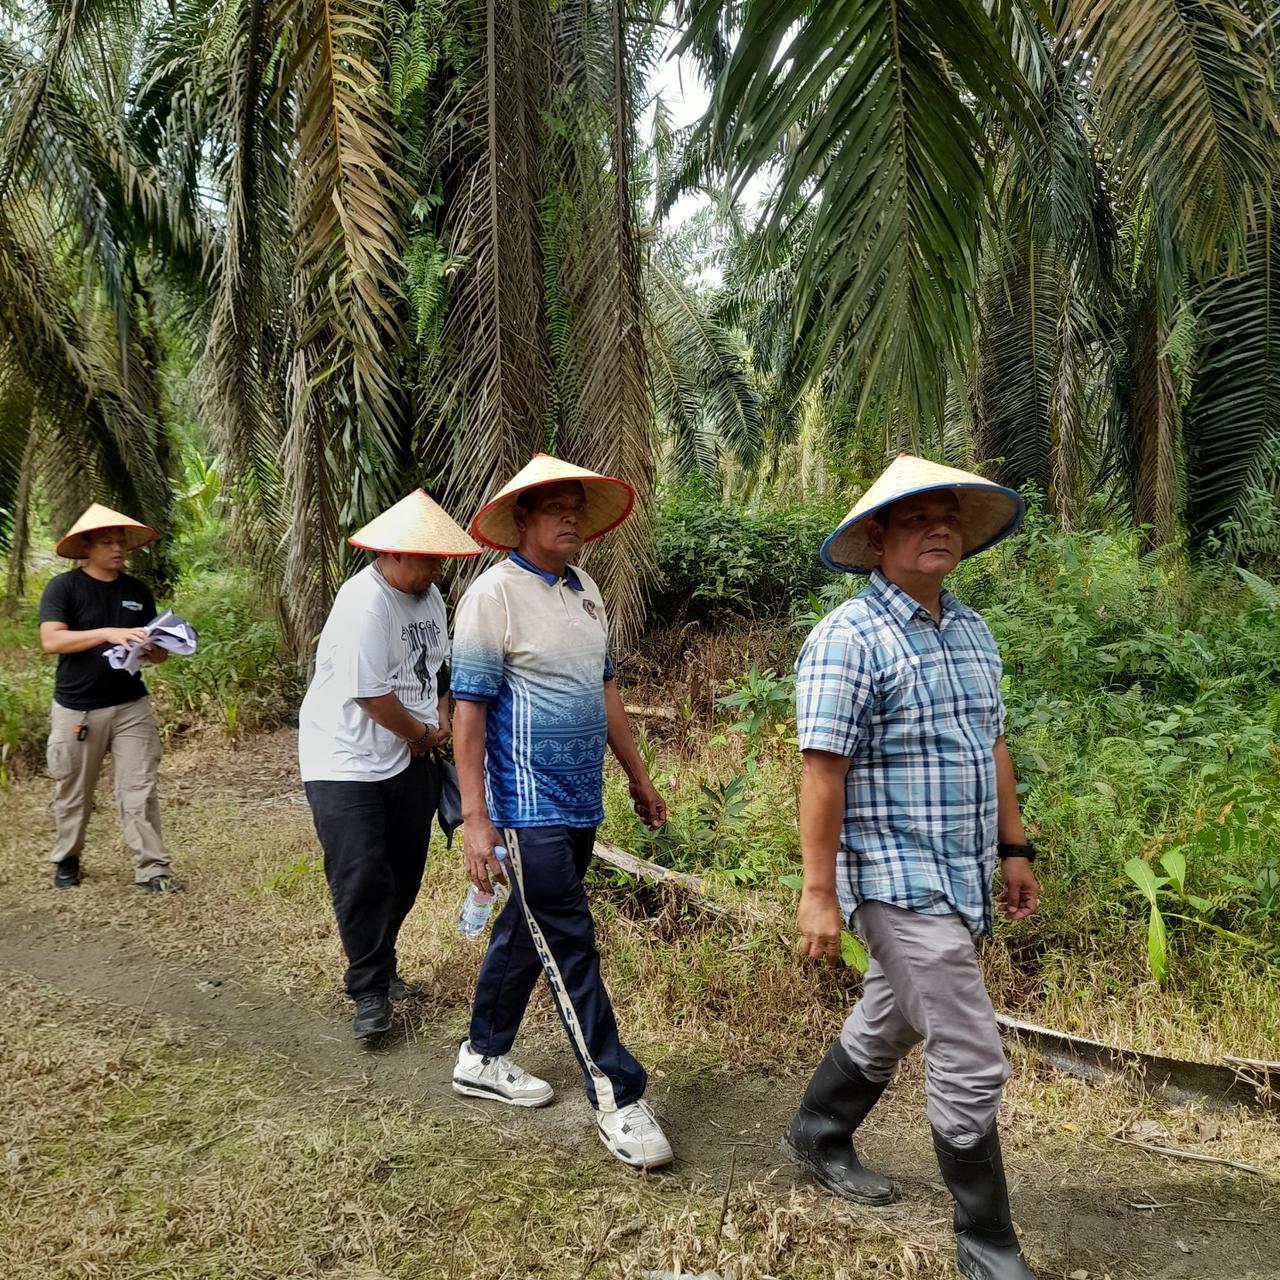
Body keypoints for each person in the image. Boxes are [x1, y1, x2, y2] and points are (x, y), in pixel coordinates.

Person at [786, 454, 1041, 1280]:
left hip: (960, 868)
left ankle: (818, 1131)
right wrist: (818, 894)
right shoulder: (848, 640)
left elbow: (990, 741)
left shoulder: (970, 630)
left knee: (895, 1013)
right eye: (916, 517)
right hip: (893, 878)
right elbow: (821, 772)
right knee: (968, 1050)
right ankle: (986, 1243)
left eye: (949, 518)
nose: (939, 529)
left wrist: (1013, 845)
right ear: (877, 536)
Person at [449, 453, 673, 1170]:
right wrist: (478, 820)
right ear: (522, 520)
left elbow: (604, 691)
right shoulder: (493, 597)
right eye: (555, 507)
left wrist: (637, 777)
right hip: (525, 807)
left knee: (527, 929)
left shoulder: (587, 591)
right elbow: (468, 716)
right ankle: (617, 1095)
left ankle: (481, 1056)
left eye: (577, 505)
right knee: (570, 940)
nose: (571, 516)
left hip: (581, 801)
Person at [298, 489, 481, 1042]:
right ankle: (370, 990)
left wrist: (442, 720)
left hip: (410, 756)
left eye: (440, 559)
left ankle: (383, 964)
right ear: (392, 552)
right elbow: (371, 697)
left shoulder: (429, 599)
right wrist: (426, 734)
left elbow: (439, 672)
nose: (435, 568)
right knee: (360, 876)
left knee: (404, 871)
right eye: (427, 558)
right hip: (343, 759)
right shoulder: (365, 601)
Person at [38, 503, 180, 892]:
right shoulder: (64, 588)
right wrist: (107, 633)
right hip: (77, 707)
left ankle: (152, 869)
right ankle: (68, 857)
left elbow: (159, 654)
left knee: (139, 786)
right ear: (87, 547)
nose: (117, 549)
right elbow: (51, 640)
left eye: (120, 542)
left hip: (130, 705)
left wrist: (154, 649)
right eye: (106, 542)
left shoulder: (136, 590)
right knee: (73, 789)